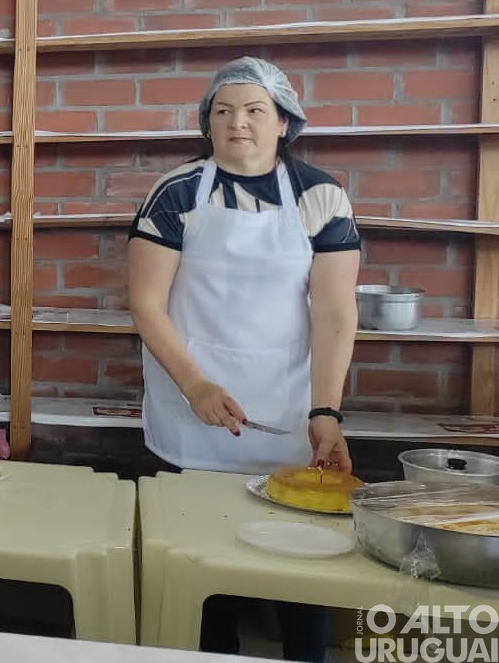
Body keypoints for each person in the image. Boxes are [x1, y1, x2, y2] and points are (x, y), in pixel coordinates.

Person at [128, 56, 361, 661]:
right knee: (203, 580)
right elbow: (147, 304)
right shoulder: (176, 192)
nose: (239, 124)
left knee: (304, 575)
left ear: (284, 121)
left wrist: (327, 410)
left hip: (287, 412)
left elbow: (334, 311)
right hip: (193, 412)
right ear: (207, 124)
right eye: (223, 111)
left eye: (256, 110)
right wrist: (196, 386)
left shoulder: (321, 196)